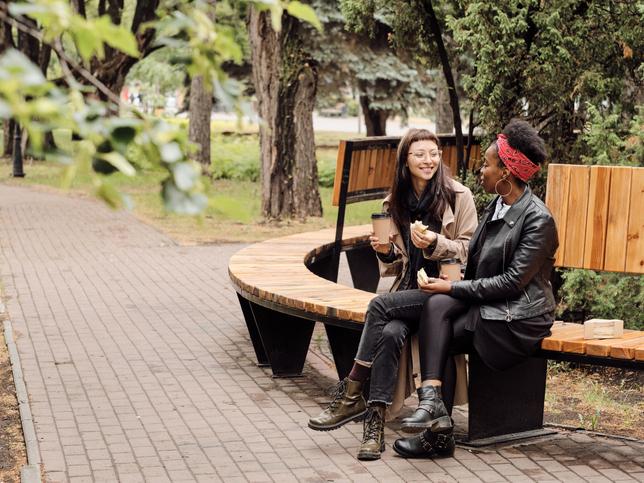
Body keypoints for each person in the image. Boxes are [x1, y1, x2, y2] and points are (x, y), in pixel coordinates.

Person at [307, 128, 478, 460]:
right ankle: (374, 429)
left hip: (445, 292)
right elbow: (395, 264)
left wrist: (435, 243)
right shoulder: (394, 203)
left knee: (380, 305)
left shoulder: (459, 196)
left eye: (433, 154)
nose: (428, 160)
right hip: (409, 292)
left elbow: (471, 251)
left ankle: (351, 388)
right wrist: (384, 252)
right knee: (388, 330)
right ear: (405, 160)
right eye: (419, 155)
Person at [392, 119, 559, 459]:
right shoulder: (496, 207)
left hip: (520, 316)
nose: (480, 170)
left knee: (439, 328)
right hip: (490, 306)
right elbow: (479, 264)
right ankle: (433, 408)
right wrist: (448, 282)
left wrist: (454, 288)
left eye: (487, 164)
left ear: (506, 174)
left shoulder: (538, 219)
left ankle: (437, 430)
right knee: (435, 309)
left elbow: (512, 282)